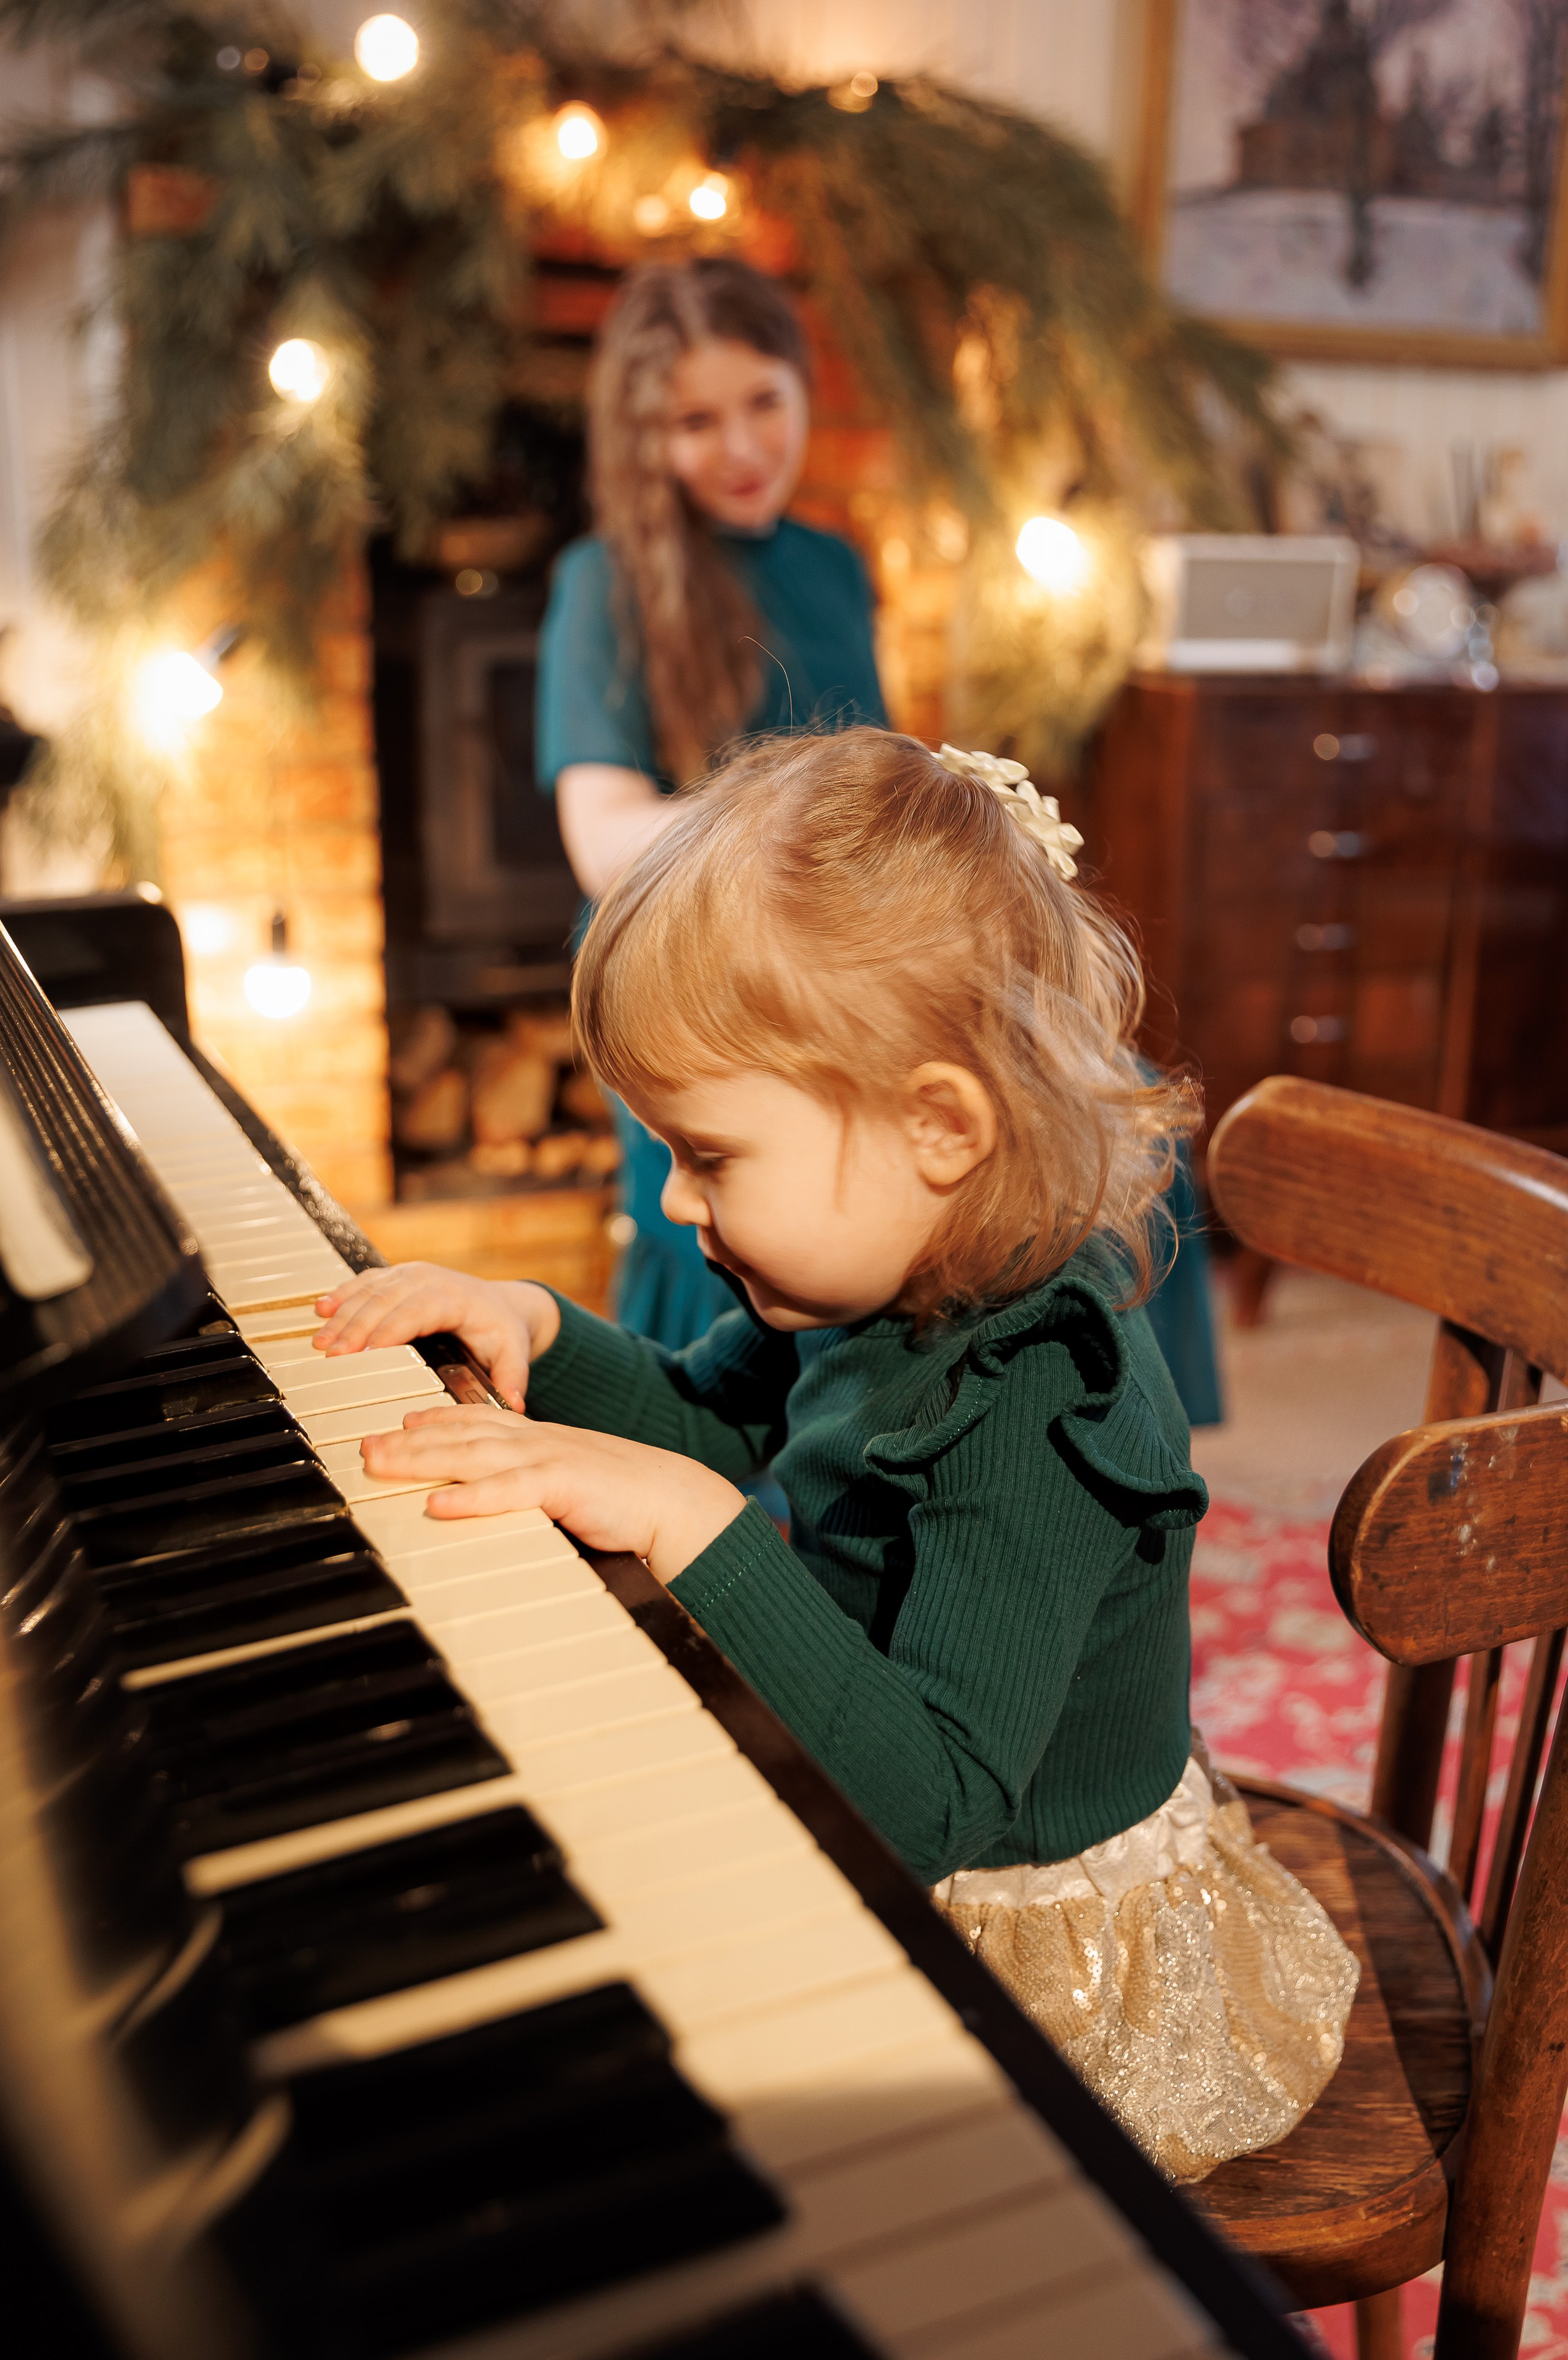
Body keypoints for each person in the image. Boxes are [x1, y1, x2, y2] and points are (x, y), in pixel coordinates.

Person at [314, 727, 1355, 2181]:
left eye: (712, 1155)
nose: (676, 1204)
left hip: (1031, 1926)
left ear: (939, 1127)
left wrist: (688, 1523)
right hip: (891, 1797)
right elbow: (704, 1416)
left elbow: (928, 1808)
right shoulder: (871, 1283)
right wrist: (534, 1331)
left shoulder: (1038, 1415)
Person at [535, 254, 887, 1353]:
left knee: (1101, 1095)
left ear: (802, 388)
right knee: (761, 1184)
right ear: (645, 436)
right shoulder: (604, 581)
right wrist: (793, 806)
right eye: (695, 420)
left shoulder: (834, 565)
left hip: (832, 946)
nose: (741, 448)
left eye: (762, 404)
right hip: (690, 965)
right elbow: (601, 840)